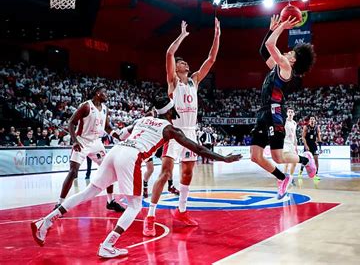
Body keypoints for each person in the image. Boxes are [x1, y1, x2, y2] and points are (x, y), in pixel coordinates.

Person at [31, 97, 241, 258]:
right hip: (131, 157)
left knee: (89, 192)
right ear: (171, 112)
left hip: (116, 150)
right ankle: (107, 245)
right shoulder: (170, 129)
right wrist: (223, 158)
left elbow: (122, 134)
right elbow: (196, 147)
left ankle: (45, 221)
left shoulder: (142, 119)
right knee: (134, 206)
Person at [144, 18, 221, 233]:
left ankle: (182, 210)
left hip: (191, 133)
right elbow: (169, 54)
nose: (185, 63)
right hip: (174, 133)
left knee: (187, 174)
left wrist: (217, 36)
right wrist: (182, 36)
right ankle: (150, 215)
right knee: (166, 173)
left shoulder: (194, 80)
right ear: (176, 68)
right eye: (182, 62)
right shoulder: (173, 81)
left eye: (185, 62)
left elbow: (211, 59)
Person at [250, 14, 316, 199]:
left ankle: (305, 159)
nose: (287, 52)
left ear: (293, 60)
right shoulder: (277, 66)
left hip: (275, 112)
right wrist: (272, 29)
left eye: (290, 52)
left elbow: (272, 46)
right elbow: (264, 50)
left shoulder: (286, 67)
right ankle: (282, 178)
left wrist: (282, 27)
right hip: (263, 112)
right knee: (255, 156)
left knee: (278, 157)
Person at [54, 85, 125, 212]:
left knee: (109, 169)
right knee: (73, 172)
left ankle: (111, 201)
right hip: (82, 141)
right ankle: (59, 203)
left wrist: (118, 136)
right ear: (98, 93)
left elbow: (107, 127)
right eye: (105, 93)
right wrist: (74, 141)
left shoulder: (104, 108)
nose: (107, 95)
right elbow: (71, 122)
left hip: (96, 142)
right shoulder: (86, 106)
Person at [282, 108, 299, 185]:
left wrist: (296, 146)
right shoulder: (284, 121)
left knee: (294, 162)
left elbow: (294, 135)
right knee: (286, 162)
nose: (290, 113)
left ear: (294, 114)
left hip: (292, 144)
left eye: (292, 112)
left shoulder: (295, 123)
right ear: (287, 113)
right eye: (289, 112)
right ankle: (283, 179)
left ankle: (291, 178)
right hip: (285, 143)